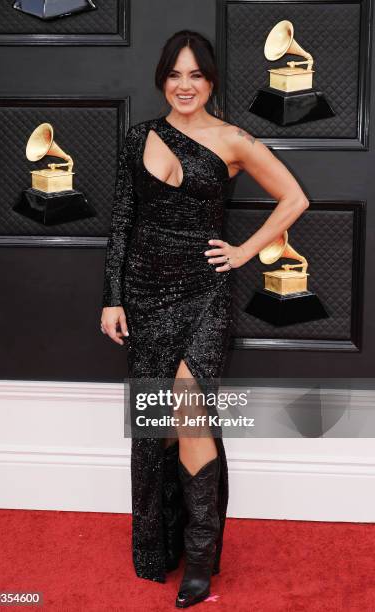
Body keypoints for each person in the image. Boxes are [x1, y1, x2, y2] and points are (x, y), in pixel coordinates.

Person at [100, 30, 309, 609]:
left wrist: (243, 251)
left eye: (196, 75)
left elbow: (294, 199)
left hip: (203, 296)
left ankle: (200, 561)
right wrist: (112, 297)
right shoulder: (138, 137)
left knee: (190, 412)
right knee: (156, 424)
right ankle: (161, 546)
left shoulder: (233, 139)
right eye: (175, 74)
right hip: (142, 297)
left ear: (211, 81)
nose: (184, 85)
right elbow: (122, 223)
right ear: (161, 79)